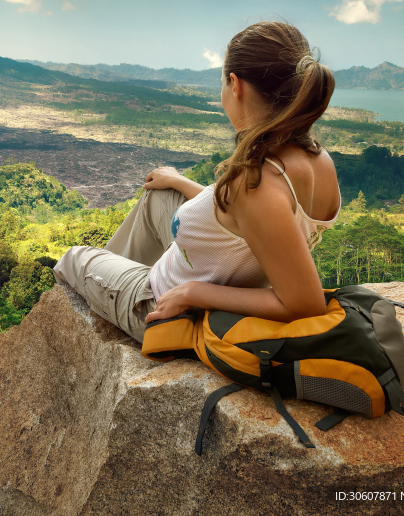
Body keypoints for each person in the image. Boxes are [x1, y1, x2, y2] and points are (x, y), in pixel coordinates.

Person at [53, 21, 340, 343]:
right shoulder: (318, 160)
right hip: (231, 272)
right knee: (160, 198)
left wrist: (195, 292)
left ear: (235, 85)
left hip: (175, 303)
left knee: (74, 257)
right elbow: (246, 222)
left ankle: (124, 299)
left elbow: (306, 304)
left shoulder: (257, 182)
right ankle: (118, 281)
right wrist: (179, 181)